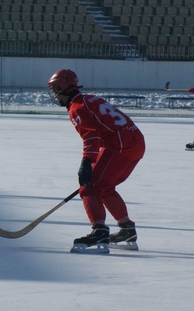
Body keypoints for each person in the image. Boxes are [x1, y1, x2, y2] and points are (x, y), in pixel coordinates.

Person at [47, 69, 145, 253]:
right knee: (104, 186)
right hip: (135, 142)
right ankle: (127, 230)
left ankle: (99, 232)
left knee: (89, 186)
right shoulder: (89, 98)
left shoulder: (77, 107)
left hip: (120, 145)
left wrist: (86, 162)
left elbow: (91, 138)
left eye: (55, 90)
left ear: (62, 88)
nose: (54, 95)